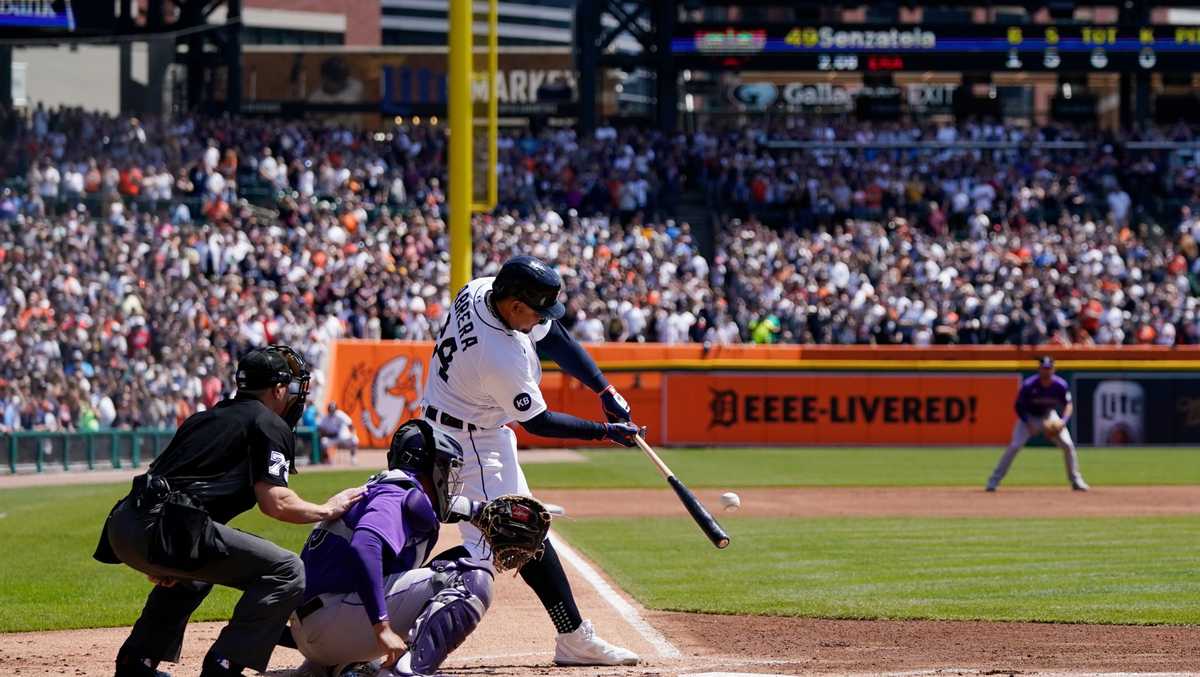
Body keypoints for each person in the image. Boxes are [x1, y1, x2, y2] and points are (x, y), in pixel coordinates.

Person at [419, 255, 644, 666]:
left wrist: (603, 389)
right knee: (501, 543)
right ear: (516, 305)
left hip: (462, 426)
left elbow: (553, 335)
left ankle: (573, 635)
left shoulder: (483, 288)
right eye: (536, 310)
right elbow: (539, 422)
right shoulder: (498, 355)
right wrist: (605, 432)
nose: (541, 317)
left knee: (526, 531)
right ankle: (384, 623)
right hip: (469, 446)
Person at [94, 345, 366, 677]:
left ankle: (136, 663)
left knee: (193, 578)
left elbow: (166, 481)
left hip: (125, 523)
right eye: (292, 388)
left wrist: (160, 554)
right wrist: (327, 509)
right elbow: (275, 502)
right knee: (287, 570)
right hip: (165, 528)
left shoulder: (203, 418)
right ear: (278, 389)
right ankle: (225, 665)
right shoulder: (269, 422)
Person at [288, 419, 538, 677]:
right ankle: (409, 671)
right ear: (429, 465)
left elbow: (432, 509)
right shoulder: (395, 494)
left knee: (452, 560)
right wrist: (381, 628)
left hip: (316, 630)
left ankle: (348, 664)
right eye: (445, 466)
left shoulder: (386, 488)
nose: (448, 476)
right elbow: (365, 546)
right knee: (471, 579)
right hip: (332, 625)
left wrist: (479, 510)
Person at [987, 356, 1089, 492]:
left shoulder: (1060, 385)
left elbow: (1068, 405)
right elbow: (1018, 406)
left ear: (1053, 369)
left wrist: (1062, 421)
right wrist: (1028, 424)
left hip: (1050, 416)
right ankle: (993, 481)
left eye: (1049, 368)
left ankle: (1076, 481)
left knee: (1068, 445)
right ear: (1039, 369)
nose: (1046, 371)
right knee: (1015, 446)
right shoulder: (1029, 385)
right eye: (1044, 368)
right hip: (1029, 417)